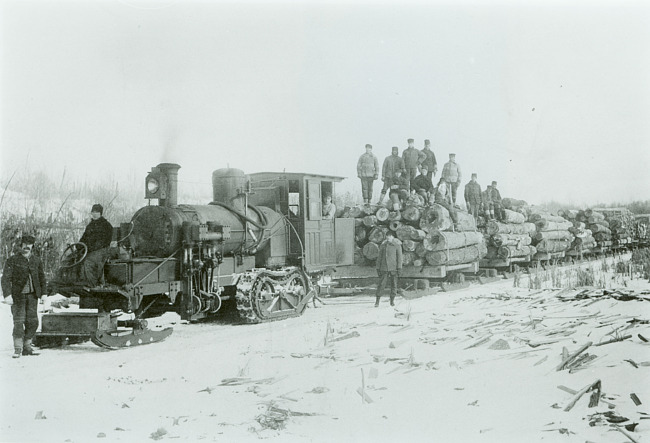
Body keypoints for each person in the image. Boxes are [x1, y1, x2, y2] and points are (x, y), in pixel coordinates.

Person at [1, 235, 47, 358]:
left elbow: (42, 278)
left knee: (33, 322)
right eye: (24, 244)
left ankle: (27, 347)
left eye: (29, 244)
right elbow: (5, 279)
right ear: (20, 245)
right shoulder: (12, 260)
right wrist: (7, 295)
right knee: (18, 322)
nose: (26, 247)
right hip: (18, 297)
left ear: (32, 246)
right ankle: (17, 349)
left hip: (33, 296)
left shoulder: (36, 260)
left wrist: (43, 293)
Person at [78, 204, 113, 285]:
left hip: (102, 250)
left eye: (96, 212)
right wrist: (79, 246)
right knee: (73, 259)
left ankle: (92, 284)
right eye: (92, 212)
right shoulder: (90, 226)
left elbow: (104, 241)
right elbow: (83, 238)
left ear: (100, 213)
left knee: (89, 262)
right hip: (89, 250)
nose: (94, 214)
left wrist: (90, 249)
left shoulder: (106, 225)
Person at [375, 231, 402, 307]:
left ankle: (392, 301)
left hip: (394, 268)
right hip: (384, 267)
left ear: (393, 237)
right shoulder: (383, 246)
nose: (388, 237)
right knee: (381, 284)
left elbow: (399, 258)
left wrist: (399, 268)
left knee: (394, 285)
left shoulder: (397, 245)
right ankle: (377, 301)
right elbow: (379, 258)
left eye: (389, 236)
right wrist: (378, 267)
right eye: (387, 236)